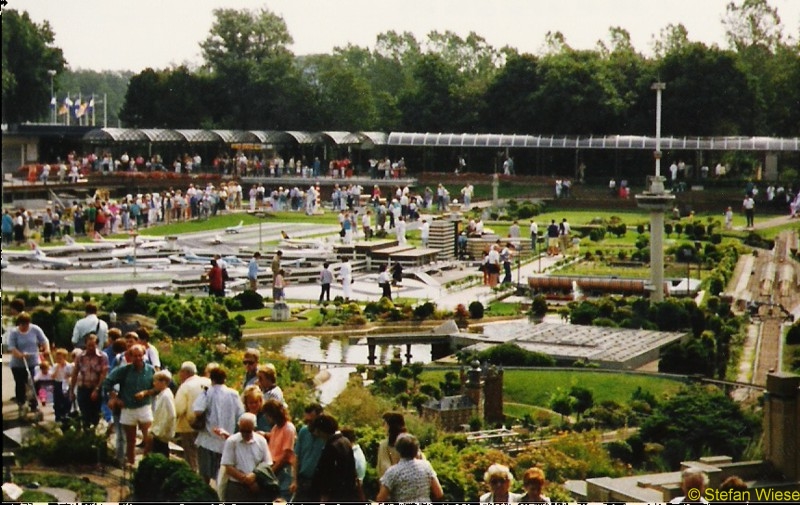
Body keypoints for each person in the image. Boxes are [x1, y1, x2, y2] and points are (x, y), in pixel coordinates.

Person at [102, 344, 155, 466]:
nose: (137, 358)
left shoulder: (150, 370)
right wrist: (114, 397)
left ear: (144, 356)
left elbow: (156, 388)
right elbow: (107, 383)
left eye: (140, 355)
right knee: (130, 440)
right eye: (134, 356)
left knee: (149, 438)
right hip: (128, 408)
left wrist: (146, 392)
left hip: (144, 406)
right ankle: (130, 464)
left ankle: (146, 464)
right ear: (130, 357)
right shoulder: (124, 370)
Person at [192, 365, 245, 485]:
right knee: (221, 477)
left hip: (208, 439)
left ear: (212, 379)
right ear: (225, 379)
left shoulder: (207, 392)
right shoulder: (234, 394)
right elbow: (240, 414)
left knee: (204, 475)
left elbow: (197, 410)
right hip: (226, 440)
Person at [220, 412, 274, 502]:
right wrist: (246, 480)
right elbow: (228, 466)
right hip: (237, 487)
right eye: (242, 430)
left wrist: (254, 476)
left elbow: (267, 463)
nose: (245, 434)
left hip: (257, 486)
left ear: (254, 428)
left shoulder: (261, 441)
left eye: (248, 431)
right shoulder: (232, 441)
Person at [376, 434, 443, 502]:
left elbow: (381, 498)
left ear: (398, 450)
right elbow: (439, 493)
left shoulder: (392, 472)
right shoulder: (426, 466)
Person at [310, 414, 361, 502]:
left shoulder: (331, 447)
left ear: (321, 430)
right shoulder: (346, 441)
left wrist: (324, 498)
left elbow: (327, 476)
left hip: (333, 496)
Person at [8, 312, 50, 415]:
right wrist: (20, 355)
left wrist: (46, 349)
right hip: (18, 364)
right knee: (20, 384)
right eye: (22, 324)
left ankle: (34, 404)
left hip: (34, 362)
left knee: (35, 382)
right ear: (19, 324)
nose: (24, 327)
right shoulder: (14, 333)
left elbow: (44, 340)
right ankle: (21, 403)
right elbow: (12, 348)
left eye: (26, 324)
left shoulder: (35, 329)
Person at [174, 360, 211, 471]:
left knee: (191, 454)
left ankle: (193, 476)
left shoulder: (185, 386)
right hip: (208, 425)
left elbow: (179, 409)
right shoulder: (207, 381)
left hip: (189, 426)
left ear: (184, 373)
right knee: (204, 454)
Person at [70, 333, 109, 429]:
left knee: (95, 414)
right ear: (85, 345)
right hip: (83, 388)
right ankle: (86, 434)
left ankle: (94, 433)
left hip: (96, 388)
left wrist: (97, 389)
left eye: (93, 345)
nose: (91, 347)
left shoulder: (102, 356)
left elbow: (103, 374)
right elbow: (75, 373)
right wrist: (71, 390)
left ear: (97, 345)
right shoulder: (80, 356)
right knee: (84, 413)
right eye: (89, 345)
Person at [263, 398, 296, 500]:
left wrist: (272, 471)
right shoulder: (276, 428)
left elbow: (286, 455)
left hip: (283, 469)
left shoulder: (288, 428)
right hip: (273, 466)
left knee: (282, 497)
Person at [290, 403, 325, 502]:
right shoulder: (304, 431)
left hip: (318, 484)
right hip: (303, 480)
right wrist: (294, 480)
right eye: (307, 421)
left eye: (312, 421)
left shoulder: (326, 436)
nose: (309, 424)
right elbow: (297, 457)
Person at [147, 370, 176, 458]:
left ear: (164, 382)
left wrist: (159, 431)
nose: (154, 383)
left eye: (156, 381)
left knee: (160, 456)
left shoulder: (166, 396)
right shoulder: (162, 395)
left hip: (160, 434)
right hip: (159, 433)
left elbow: (170, 415)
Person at [377, 411, 408, 478]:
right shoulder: (411, 442)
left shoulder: (385, 445)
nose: (383, 426)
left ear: (389, 425)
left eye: (384, 423)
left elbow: (384, 467)